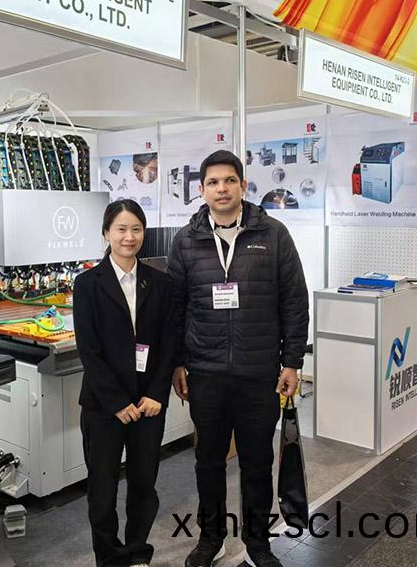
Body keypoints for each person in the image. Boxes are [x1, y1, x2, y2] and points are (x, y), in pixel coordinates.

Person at [168, 150, 309, 567]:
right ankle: (210, 539)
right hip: (206, 373)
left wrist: (292, 362)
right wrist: (178, 363)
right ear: (201, 190)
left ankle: (258, 543)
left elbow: (294, 302)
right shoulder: (186, 241)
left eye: (229, 181)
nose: (222, 189)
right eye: (213, 182)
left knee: (256, 462)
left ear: (243, 186)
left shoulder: (274, 234)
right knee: (208, 462)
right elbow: (175, 309)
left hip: (258, 372)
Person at [74, 200, 175, 567]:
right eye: (121, 229)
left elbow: (168, 343)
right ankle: (109, 557)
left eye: (136, 229)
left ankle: (136, 553)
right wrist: (116, 402)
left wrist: (157, 394)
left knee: (143, 485)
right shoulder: (88, 284)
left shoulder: (160, 283)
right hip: (104, 406)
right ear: (106, 233)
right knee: (102, 489)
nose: (128, 237)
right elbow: (89, 351)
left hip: (148, 404)